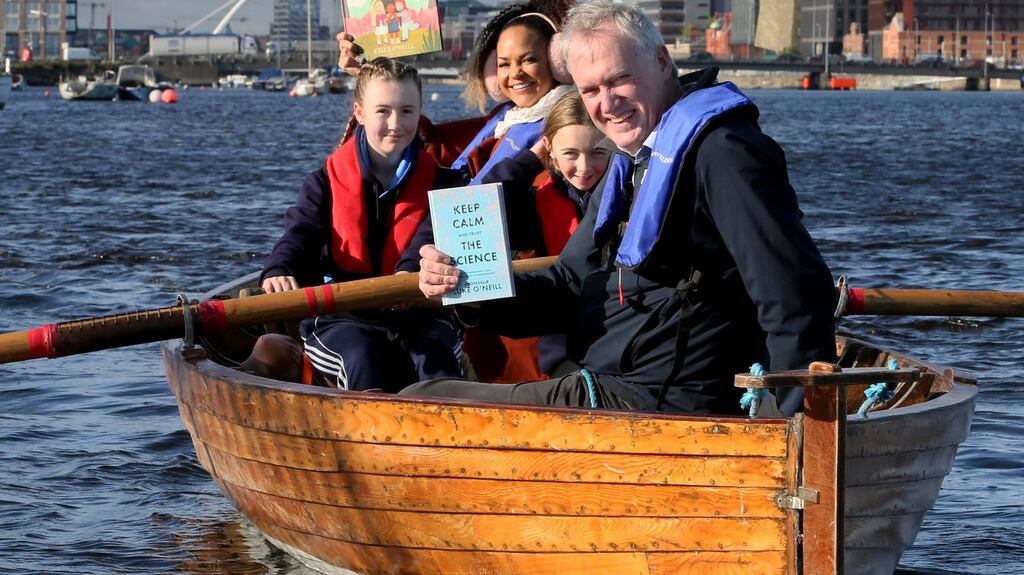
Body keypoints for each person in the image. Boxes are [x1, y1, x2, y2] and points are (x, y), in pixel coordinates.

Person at [407, 0, 837, 415]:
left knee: (420, 403)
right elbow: (571, 281)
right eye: (590, 90)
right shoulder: (629, 159)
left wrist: (801, 421)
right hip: (606, 382)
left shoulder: (722, 151)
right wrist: (472, 287)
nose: (607, 103)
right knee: (422, 393)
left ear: (663, 63)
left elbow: (791, 286)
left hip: (663, 405)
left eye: (619, 80)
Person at [253, 57, 466, 393]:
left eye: (407, 111)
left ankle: (452, 440)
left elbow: (429, 235)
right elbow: (300, 233)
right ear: (360, 113)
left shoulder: (448, 184)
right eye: (383, 111)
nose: (396, 123)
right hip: (344, 314)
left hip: (420, 310)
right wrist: (278, 269)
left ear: (420, 112)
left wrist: (406, 275)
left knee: (435, 356)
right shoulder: (323, 183)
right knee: (363, 356)